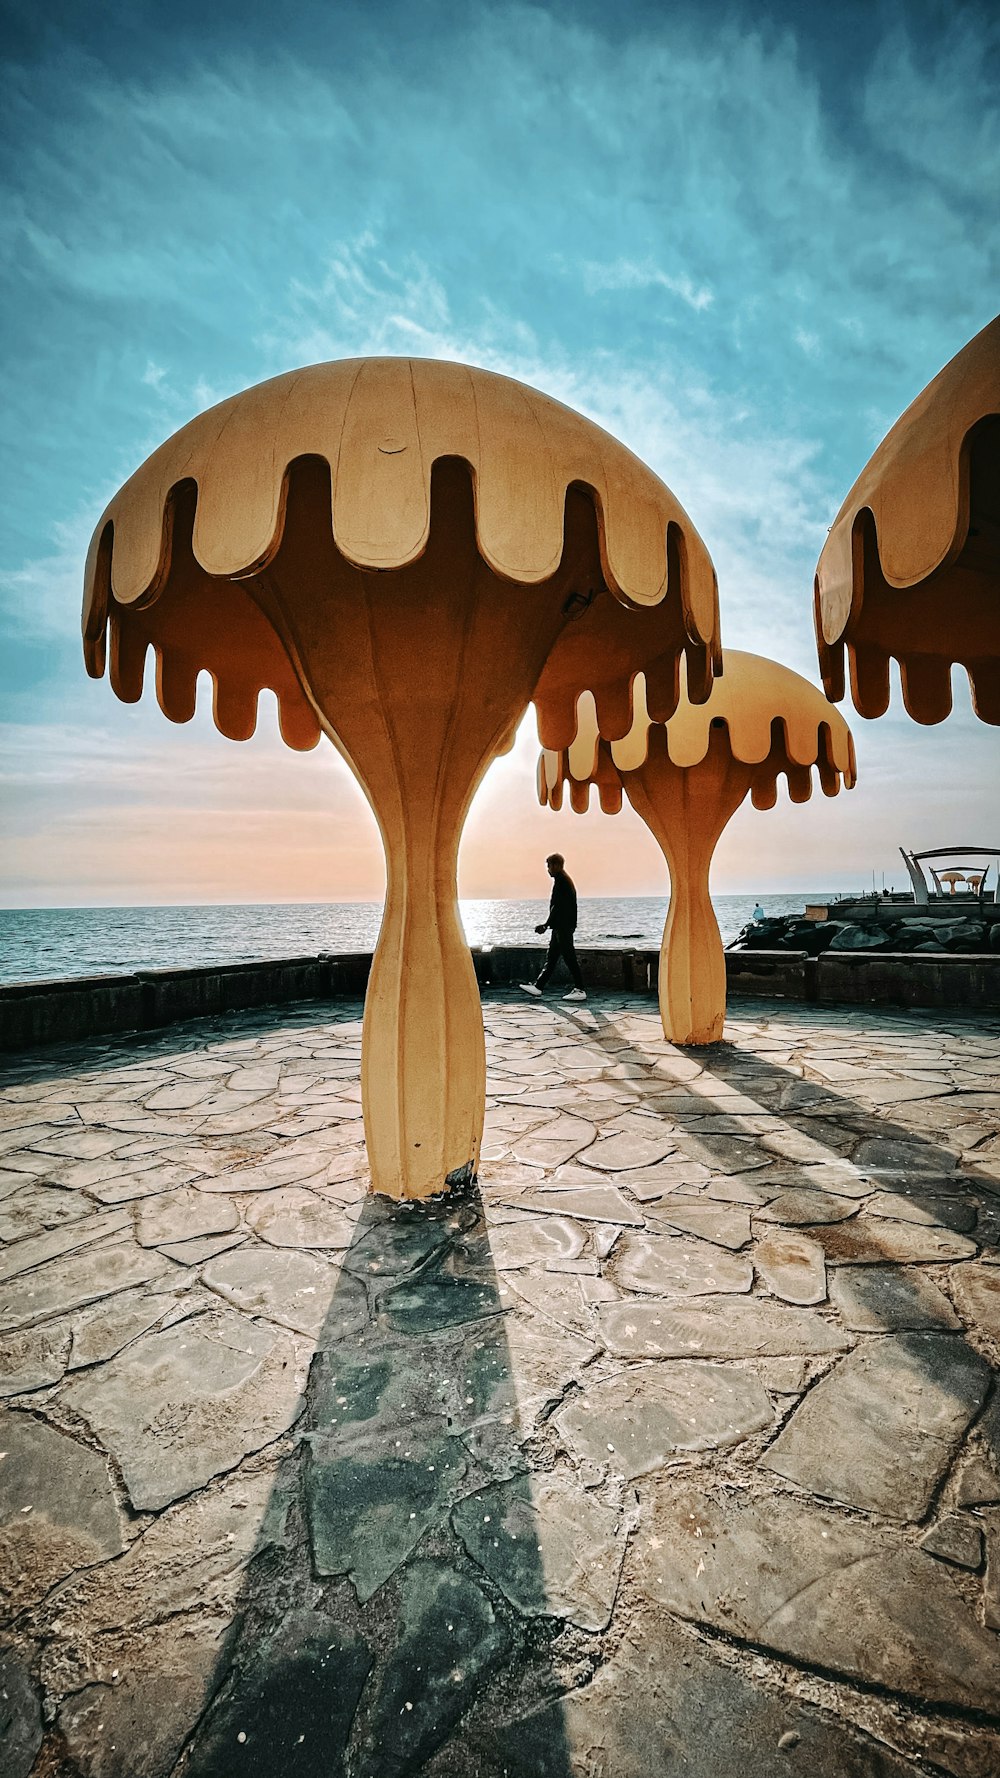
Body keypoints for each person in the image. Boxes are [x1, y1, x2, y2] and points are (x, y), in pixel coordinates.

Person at [520, 853, 586, 1001]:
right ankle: (538, 987)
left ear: (556, 865)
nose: (548, 870)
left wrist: (546, 924)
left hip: (563, 926)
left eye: (549, 866)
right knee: (552, 958)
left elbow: (558, 907)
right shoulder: (562, 880)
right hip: (560, 926)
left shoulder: (562, 881)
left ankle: (580, 989)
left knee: (569, 957)